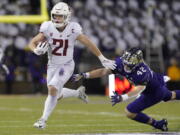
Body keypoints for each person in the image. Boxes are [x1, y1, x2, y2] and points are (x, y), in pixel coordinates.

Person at [28, 2, 116, 129]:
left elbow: (88, 43)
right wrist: (35, 50)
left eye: (60, 16)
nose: (57, 18)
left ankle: (43, 120)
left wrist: (102, 58)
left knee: (52, 88)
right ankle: (77, 93)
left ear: (67, 16)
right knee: (55, 95)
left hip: (66, 65)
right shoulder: (47, 27)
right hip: (52, 65)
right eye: (55, 15)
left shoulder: (73, 28)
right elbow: (32, 42)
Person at [72, 47, 180, 131]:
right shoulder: (121, 62)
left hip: (154, 92)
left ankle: (157, 124)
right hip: (156, 82)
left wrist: (122, 97)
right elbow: (103, 71)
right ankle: (160, 124)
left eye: (130, 61)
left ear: (138, 62)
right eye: (126, 59)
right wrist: (85, 75)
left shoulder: (142, 71)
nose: (126, 64)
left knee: (130, 112)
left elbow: (139, 89)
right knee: (171, 95)